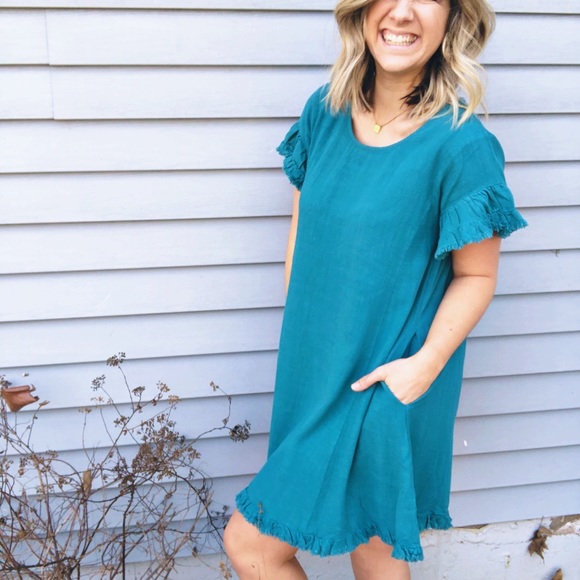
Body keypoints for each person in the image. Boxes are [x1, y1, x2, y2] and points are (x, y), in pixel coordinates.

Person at [224, 0, 528, 578]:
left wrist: (421, 369)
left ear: (452, 19)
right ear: (361, 10)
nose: (403, 13)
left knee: (253, 545)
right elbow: (303, 235)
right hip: (316, 372)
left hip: (388, 380)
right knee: (371, 548)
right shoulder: (324, 113)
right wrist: (308, 342)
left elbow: (477, 276)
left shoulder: (461, 145)